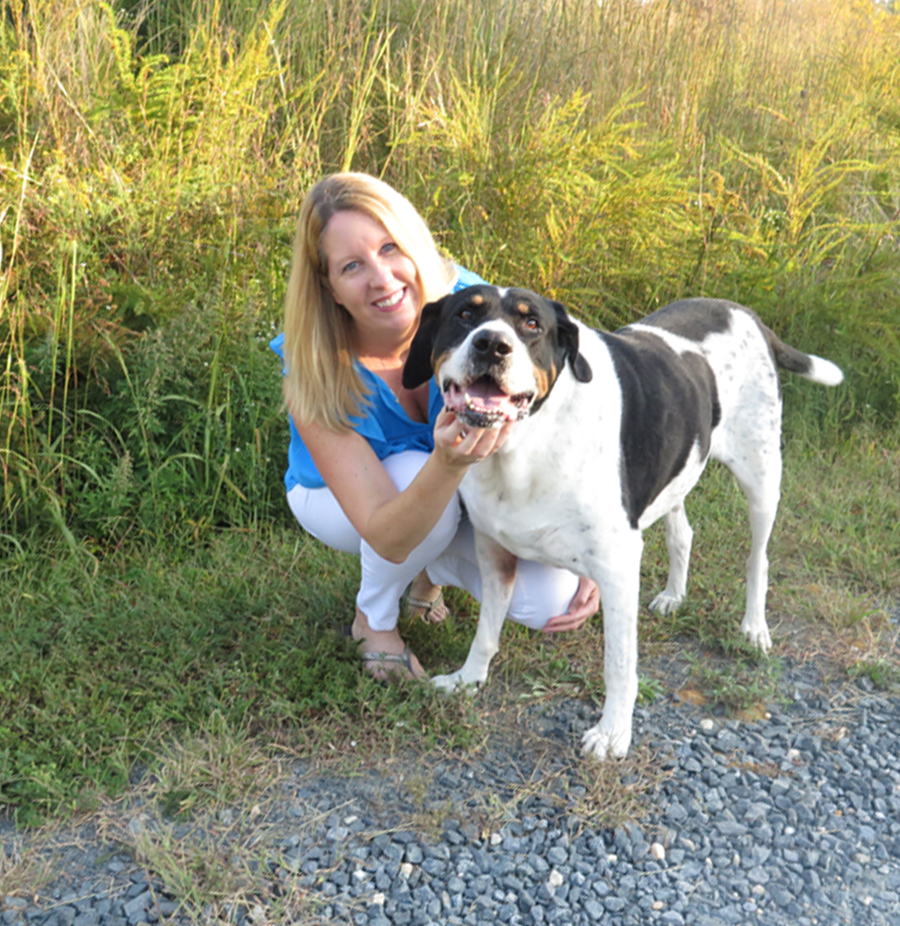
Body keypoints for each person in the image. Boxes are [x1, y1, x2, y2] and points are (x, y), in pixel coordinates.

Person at [271, 172, 599, 680]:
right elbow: (387, 533)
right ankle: (373, 621)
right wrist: (447, 463)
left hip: (452, 483)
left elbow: (563, 414)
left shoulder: (472, 308)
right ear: (328, 286)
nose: (382, 279)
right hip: (345, 500)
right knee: (418, 482)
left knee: (548, 599)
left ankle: (429, 571)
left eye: (390, 247)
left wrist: (591, 540)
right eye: (352, 266)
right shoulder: (314, 365)